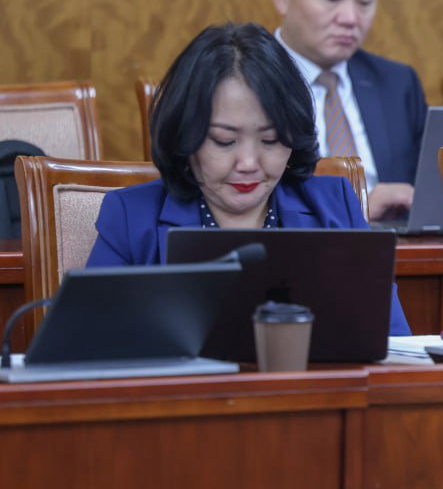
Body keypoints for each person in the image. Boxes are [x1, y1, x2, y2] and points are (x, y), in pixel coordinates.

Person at [86, 22, 411, 335]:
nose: (248, 163)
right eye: (224, 141)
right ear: (185, 135)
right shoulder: (130, 217)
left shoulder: (335, 208)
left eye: (270, 140)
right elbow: (90, 348)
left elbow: (393, 343)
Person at [270, 0, 428, 221]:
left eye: (365, 2)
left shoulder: (397, 83)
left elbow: (428, 193)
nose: (350, 18)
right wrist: (358, 210)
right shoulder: (244, 82)